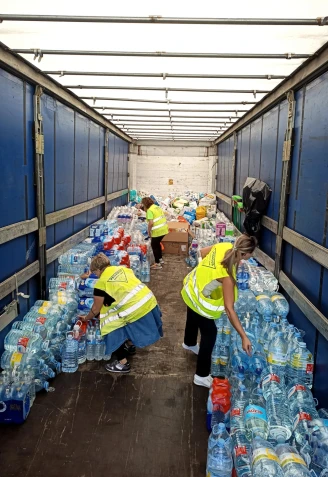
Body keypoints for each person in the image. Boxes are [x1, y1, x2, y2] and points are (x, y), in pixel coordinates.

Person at [181, 234, 258, 388]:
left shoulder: (223, 246)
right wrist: (243, 336)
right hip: (199, 299)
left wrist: (208, 278)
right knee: (210, 333)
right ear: (243, 254)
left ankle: (189, 342)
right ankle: (201, 375)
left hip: (191, 287)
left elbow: (202, 253)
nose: (249, 258)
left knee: (192, 315)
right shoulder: (227, 275)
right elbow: (229, 310)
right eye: (249, 256)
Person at [79, 253, 163, 374]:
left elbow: (96, 309)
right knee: (122, 318)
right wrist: (86, 278)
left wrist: (86, 318)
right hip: (149, 301)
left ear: (98, 270)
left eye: (94, 272)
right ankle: (129, 345)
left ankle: (122, 364)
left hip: (135, 309)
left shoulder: (101, 284)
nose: (95, 275)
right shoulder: (123, 269)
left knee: (109, 324)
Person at [141, 197, 169, 270]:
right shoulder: (156, 207)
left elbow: (151, 223)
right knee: (157, 244)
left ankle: (157, 263)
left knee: (154, 246)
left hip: (157, 231)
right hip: (164, 229)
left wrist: (149, 231)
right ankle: (160, 259)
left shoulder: (149, 211)